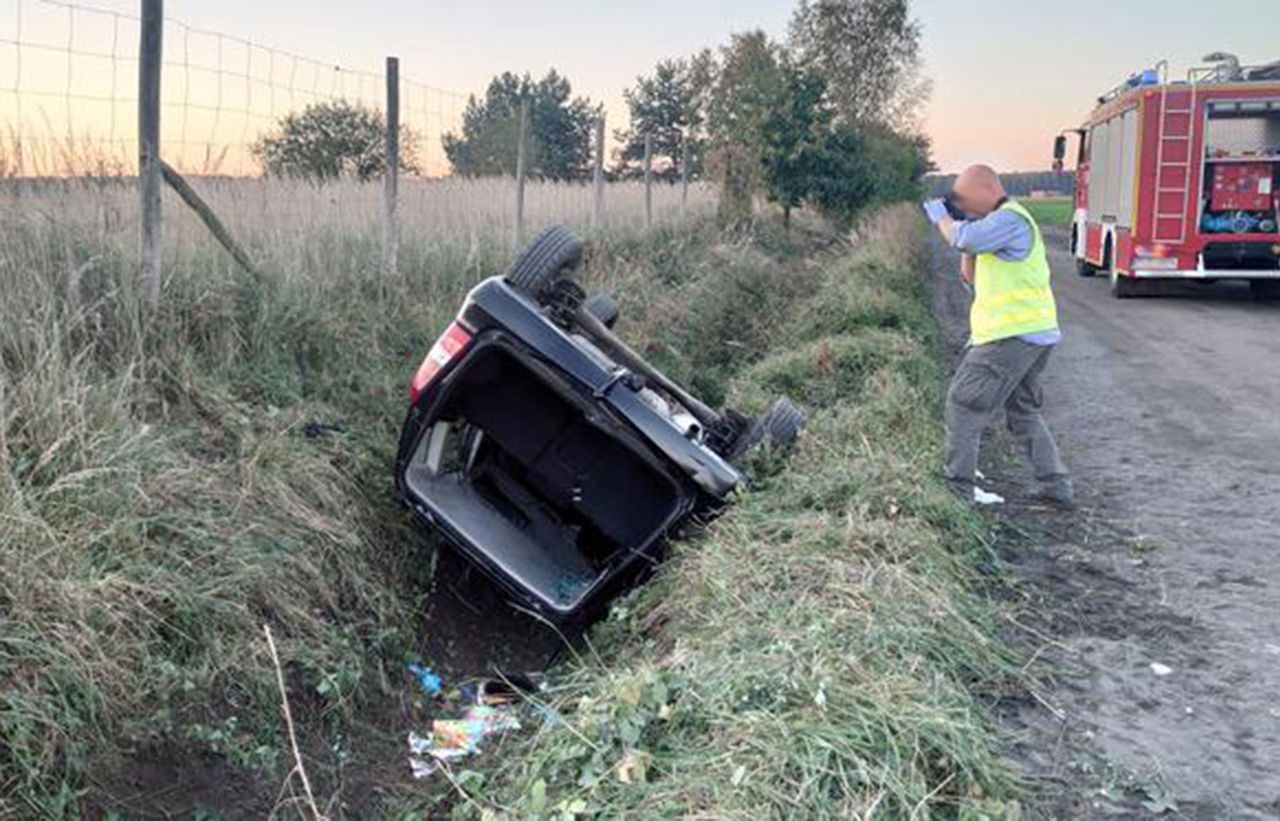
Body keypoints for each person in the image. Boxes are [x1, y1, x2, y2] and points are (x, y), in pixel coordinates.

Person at [922, 165, 1074, 508]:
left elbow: (962, 238)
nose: (963, 207)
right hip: (1030, 335)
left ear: (989, 189)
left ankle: (958, 490)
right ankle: (1056, 485)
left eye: (965, 199)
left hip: (1010, 338)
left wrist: (943, 218)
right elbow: (969, 274)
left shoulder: (1010, 219)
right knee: (1022, 410)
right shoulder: (995, 224)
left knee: (963, 404)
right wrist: (966, 229)